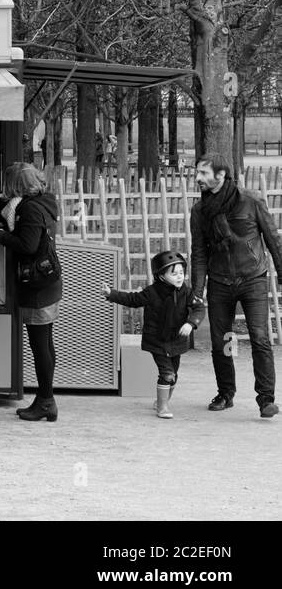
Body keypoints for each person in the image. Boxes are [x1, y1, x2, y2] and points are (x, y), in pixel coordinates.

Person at [190, 154, 281, 417]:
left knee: (260, 338)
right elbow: (199, 253)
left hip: (253, 279)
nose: (198, 178)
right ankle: (226, 393)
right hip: (220, 282)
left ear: (221, 175)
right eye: (197, 173)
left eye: (204, 173)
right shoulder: (200, 211)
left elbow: (273, 239)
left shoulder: (250, 200)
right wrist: (197, 291)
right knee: (223, 341)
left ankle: (266, 400)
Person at [0, 162, 62, 422]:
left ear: (15, 185)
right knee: (44, 343)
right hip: (46, 283)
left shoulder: (30, 209)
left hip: (37, 286)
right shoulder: (42, 201)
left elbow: (27, 245)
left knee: (40, 345)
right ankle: (46, 400)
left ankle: (46, 401)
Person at [104, 251, 205, 419]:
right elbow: (133, 299)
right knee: (167, 374)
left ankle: (160, 402)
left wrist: (191, 323)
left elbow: (199, 308)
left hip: (176, 341)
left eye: (181, 272)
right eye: (174, 274)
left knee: (174, 375)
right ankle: (163, 407)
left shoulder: (186, 292)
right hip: (157, 340)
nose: (179, 277)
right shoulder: (152, 292)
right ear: (161, 276)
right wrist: (111, 294)